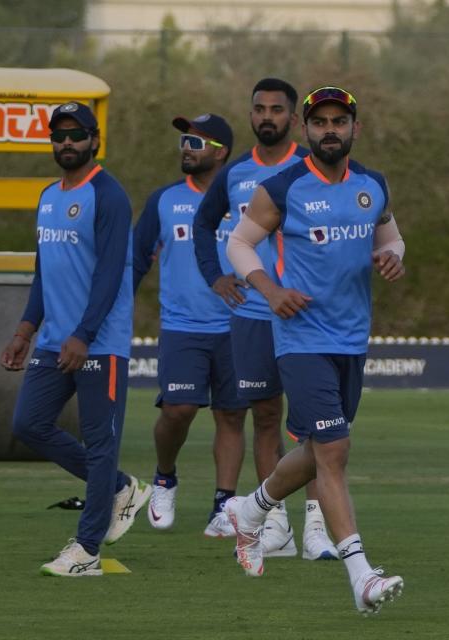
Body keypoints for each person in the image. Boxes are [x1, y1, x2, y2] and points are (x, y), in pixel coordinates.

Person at [223, 86, 407, 614]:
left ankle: (251, 510)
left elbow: (391, 238)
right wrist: (270, 289)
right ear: (305, 130)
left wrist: (393, 256)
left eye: (339, 121)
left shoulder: (373, 185)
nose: (330, 129)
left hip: (352, 338)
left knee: (317, 450)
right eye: (320, 121)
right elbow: (239, 243)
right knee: (334, 451)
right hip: (302, 338)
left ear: (355, 128)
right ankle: (361, 575)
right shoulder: (283, 186)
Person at [1, 102, 152, 577]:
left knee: (99, 443)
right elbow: (46, 271)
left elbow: (110, 274)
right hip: (52, 340)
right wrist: (26, 330)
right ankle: (121, 487)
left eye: (76, 135)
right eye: (59, 135)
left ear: (94, 140)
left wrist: (84, 334)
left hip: (98, 344)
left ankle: (86, 550)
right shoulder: (48, 195)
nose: (66, 143)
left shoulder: (108, 196)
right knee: (28, 424)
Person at [194, 78, 338, 560]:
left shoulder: (311, 168)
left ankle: (318, 528)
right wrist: (216, 276)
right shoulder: (235, 174)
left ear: (294, 119)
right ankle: (275, 526)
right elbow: (204, 224)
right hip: (253, 313)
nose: (267, 116)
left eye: (277, 109)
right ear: (251, 114)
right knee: (265, 419)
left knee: (315, 427)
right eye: (260, 109)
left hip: (303, 316)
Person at [131, 113, 249, 532]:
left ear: (220, 153)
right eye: (183, 140)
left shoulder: (243, 200)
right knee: (178, 410)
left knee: (232, 416)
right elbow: (135, 261)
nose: (185, 148)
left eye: (195, 143)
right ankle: (165, 477)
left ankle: (225, 503)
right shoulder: (164, 200)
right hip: (183, 326)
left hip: (238, 325)